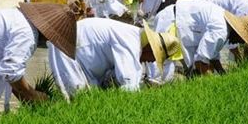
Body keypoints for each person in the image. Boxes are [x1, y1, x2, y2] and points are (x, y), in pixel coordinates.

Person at [48, 18, 181, 98]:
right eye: (155, 58)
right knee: (77, 98)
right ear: (151, 48)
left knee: (91, 97)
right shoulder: (131, 44)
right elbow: (130, 88)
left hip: (82, 52)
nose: (151, 61)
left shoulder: (133, 36)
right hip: (67, 47)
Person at [150, 0, 248, 82]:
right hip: (170, 20)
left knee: (191, 72)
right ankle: (151, 93)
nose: (240, 43)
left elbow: (212, 55)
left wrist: (223, 75)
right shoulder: (220, 31)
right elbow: (201, 61)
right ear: (238, 33)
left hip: (182, 25)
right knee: (163, 66)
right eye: (242, 39)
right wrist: (213, 82)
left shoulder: (224, 29)